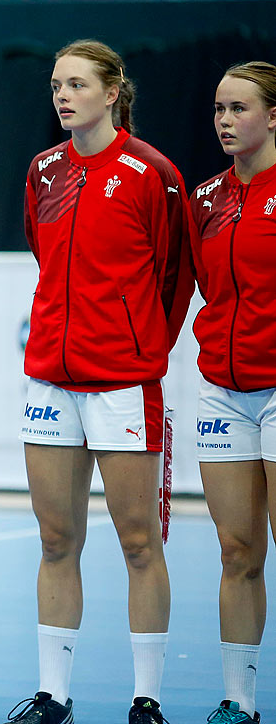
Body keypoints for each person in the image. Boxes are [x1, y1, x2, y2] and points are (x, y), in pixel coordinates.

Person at [12, 40, 193, 724]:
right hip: (51, 383)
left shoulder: (153, 174)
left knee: (139, 541)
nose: (62, 96)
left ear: (113, 92)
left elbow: (175, 277)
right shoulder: (43, 170)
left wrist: (144, 349)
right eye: (56, 84)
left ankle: (146, 697)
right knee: (56, 540)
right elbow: (44, 249)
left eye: (77, 84)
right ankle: (53, 694)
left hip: (123, 382)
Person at [189, 61, 276, 724]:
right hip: (221, 391)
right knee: (237, 549)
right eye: (219, 109)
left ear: (272, 116)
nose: (224, 120)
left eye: (238, 108)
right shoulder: (205, 199)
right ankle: (238, 702)